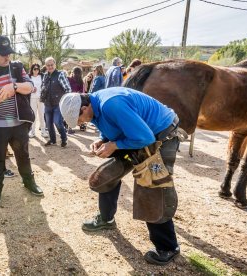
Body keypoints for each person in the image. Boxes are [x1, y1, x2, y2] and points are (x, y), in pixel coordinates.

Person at [59, 87, 181, 266]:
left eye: (79, 119)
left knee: (152, 186)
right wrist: (103, 140)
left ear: (84, 108)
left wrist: (115, 145)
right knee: (107, 175)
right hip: (136, 135)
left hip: (160, 135)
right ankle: (106, 218)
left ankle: (168, 247)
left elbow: (145, 137)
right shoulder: (96, 106)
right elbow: (111, 126)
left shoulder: (112, 104)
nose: (80, 123)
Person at [0, 35, 43, 205]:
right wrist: (2, 96)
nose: (7, 56)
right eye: (3, 53)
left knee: (23, 156)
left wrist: (13, 86)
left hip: (19, 123)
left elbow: (29, 87)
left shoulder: (17, 67)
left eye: (9, 52)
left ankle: (29, 183)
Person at [40, 57, 71, 147]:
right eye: (48, 65)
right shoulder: (45, 75)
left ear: (55, 64)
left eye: (51, 65)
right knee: (49, 124)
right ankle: (53, 140)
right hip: (47, 103)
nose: (50, 67)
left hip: (58, 103)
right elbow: (43, 87)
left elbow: (68, 89)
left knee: (57, 122)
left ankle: (64, 139)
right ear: (45, 66)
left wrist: (64, 101)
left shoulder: (60, 74)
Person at [28, 63, 48, 138]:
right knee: (33, 116)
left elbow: (45, 86)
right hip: (32, 99)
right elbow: (26, 87)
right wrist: (31, 90)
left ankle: (43, 131)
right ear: (32, 69)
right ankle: (32, 132)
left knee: (42, 115)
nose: (36, 70)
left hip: (41, 99)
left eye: (37, 69)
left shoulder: (42, 76)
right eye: (34, 69)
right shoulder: (29, 77)